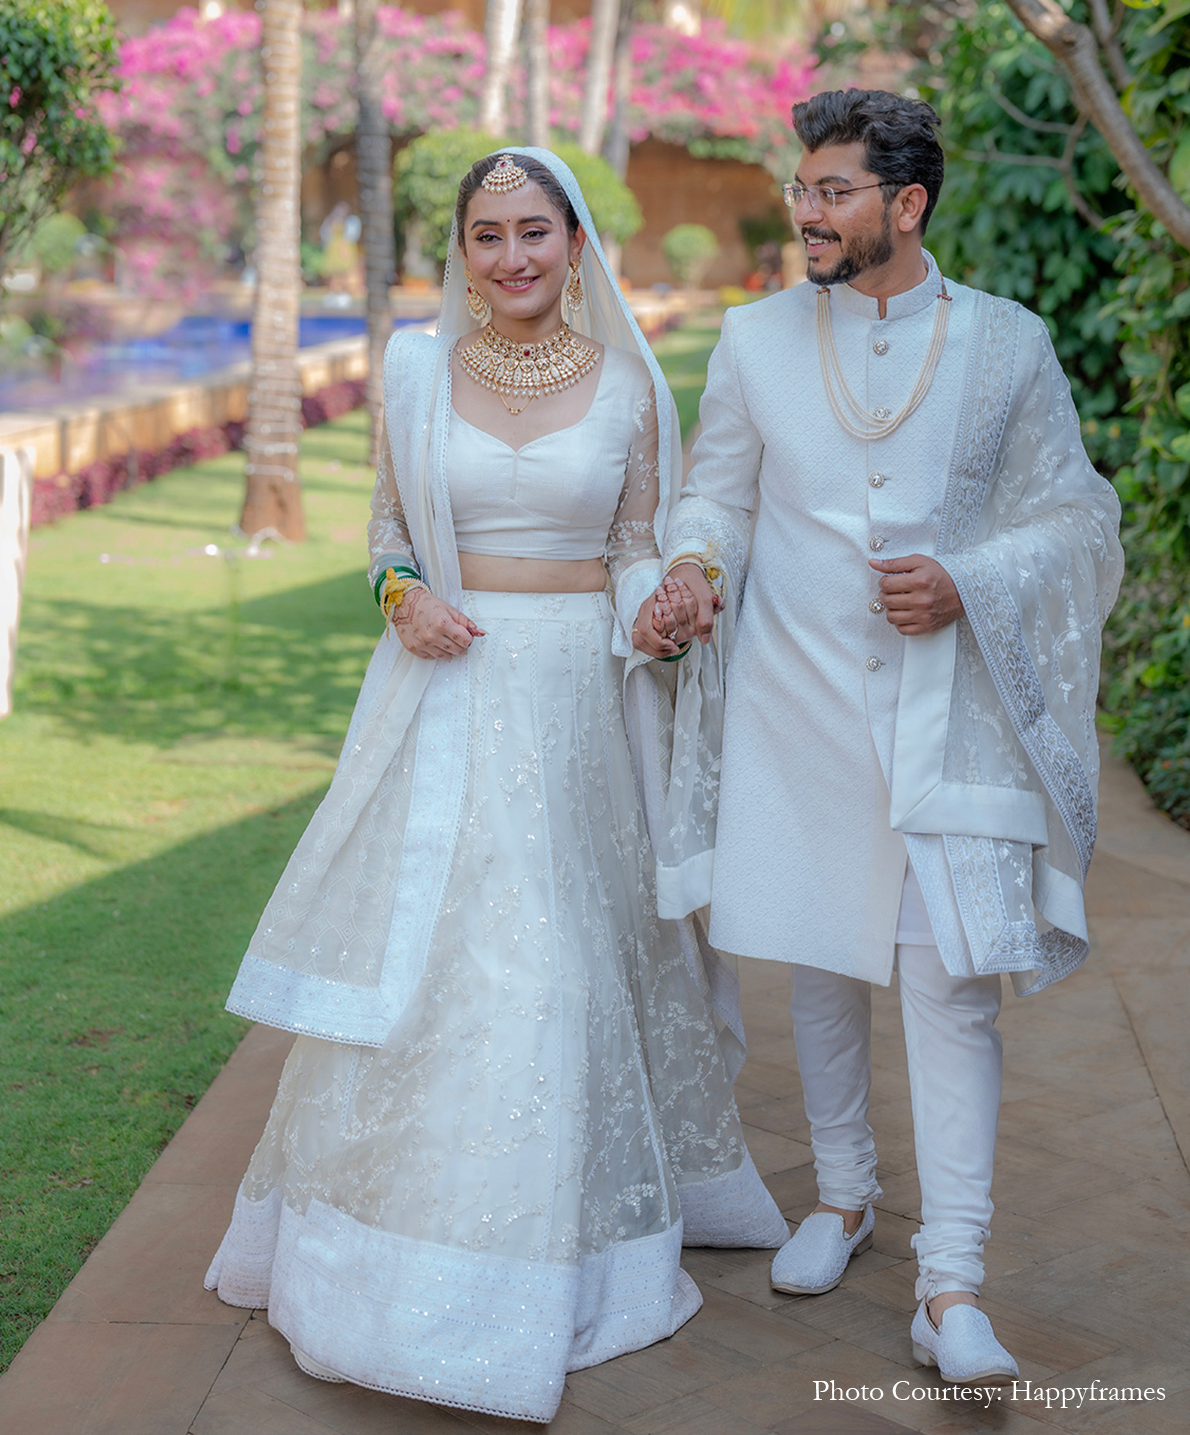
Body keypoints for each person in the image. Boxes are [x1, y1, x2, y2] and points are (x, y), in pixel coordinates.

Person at [204, 148, 787, 1422]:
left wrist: (666, 612)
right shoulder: (414, 374)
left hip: (575, 698)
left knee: (555, 956)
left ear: (575, 243)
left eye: (535, 231)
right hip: (446, 691)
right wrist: (402, 602)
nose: (513, 256)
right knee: (437, 955)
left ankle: (545, 1267)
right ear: (459, 251)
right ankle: (379, 1261)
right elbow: (386, 539)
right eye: (487, 235)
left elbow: (634, 546)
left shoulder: (630, 384)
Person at [636, 90, 1122, 1388]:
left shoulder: (1008, 346)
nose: (807, 210)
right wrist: (692, 569)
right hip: (795, 696)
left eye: (834, 190)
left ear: (905, 205)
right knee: (821, 953)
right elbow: (717, 492)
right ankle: (842, 1198)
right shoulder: (752, 339)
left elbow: (1077, 518)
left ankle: (951, 1280)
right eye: (804, 188)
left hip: (947, 710)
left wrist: (968, 578)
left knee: (949, 982)